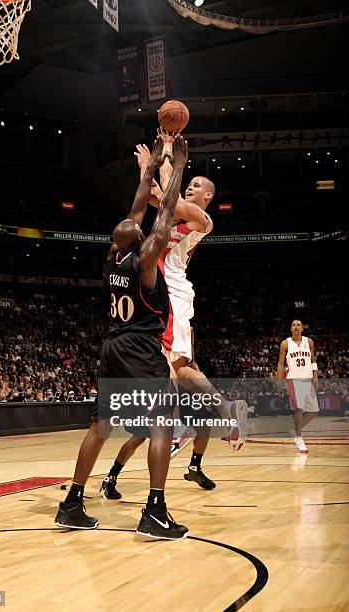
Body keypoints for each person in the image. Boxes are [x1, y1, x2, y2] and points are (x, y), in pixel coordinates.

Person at [55, 134, 190, 539]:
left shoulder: (111, 255)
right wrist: (178, 167)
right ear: (138, 240)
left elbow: (135, 210)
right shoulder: (146, 261)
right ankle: (155, 512)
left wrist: (150, 168)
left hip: (112, 346)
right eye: (136, 227)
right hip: (137, 347)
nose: (135, 222)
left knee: (100, 426)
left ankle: (72, 503)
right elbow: (163, 216)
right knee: (164, 422)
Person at [99, 136, 247, 499]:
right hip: (163, 297)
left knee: (177, 368)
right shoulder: (176, 207)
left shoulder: (202, 219)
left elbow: (171, 201)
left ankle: (220, 414)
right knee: (173, 370)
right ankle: (202, 415)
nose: (192, 184)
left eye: (198, 184)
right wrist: (151, 166)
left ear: (207, 197)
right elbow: (155, 198)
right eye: (190, 180)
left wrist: (169, 163)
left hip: (175, 293)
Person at [277, 320, 319, 453]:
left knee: (313, 411)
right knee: (299, 408)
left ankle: (294, 430)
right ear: (291, 328)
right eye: (294, 325)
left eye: (298, 325)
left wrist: (316, 376)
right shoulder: (285, 343)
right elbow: (281, 364)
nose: (296, 327)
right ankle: (299, 438)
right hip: (293, 380)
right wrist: (279, 382)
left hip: (307, 379)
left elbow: (313, 360)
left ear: (302, 328)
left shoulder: (309, 342)